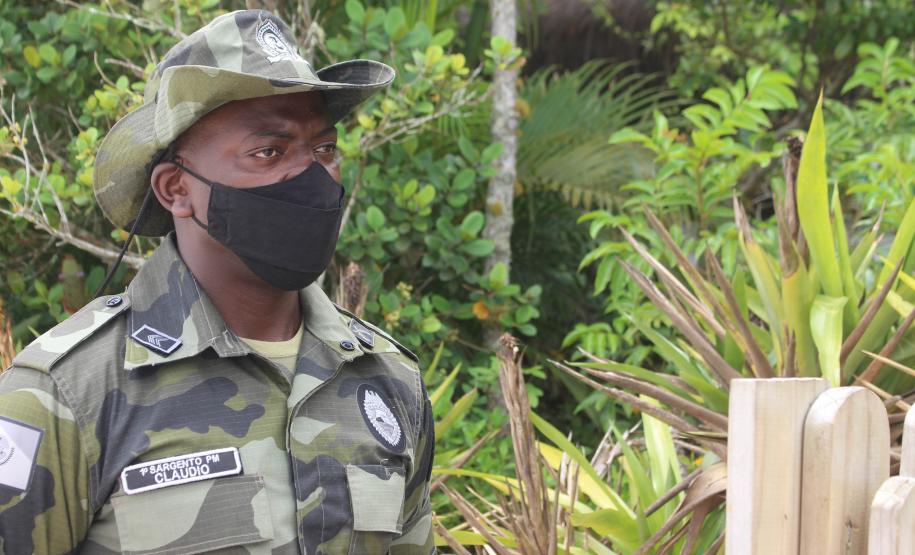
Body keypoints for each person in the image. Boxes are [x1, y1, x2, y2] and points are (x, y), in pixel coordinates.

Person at [0, 9, 435, 555]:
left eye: (324, 150)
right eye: (269, 152)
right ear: (176, 188)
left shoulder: (390, 380)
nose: (311, 177)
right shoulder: (63, 393)